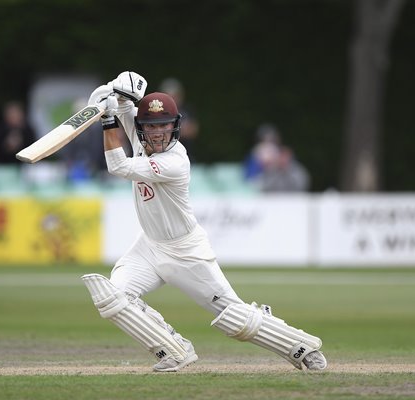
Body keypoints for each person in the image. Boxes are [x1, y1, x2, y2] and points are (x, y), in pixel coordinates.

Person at [80, 71, 327, 372]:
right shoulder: (139, 132)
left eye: (164, 126)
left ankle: (300, 347)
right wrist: (114, 91)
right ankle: (173, 350)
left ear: (175, 127)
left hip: (186, 252)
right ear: (142, 127)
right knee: (113, 298)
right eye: (151, 127)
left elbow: (117, 164)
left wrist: (108, 120)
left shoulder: (175, 161)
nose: (157, 133)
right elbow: (109, 105)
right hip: (148, 246)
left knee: (232, 316)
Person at [159, 78, 200, 162]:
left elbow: (193, 131)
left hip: (186, 156)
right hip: (163, 157)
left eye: (175, 96)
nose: (172, 99)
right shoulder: (156, 113)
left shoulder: (187, 110)